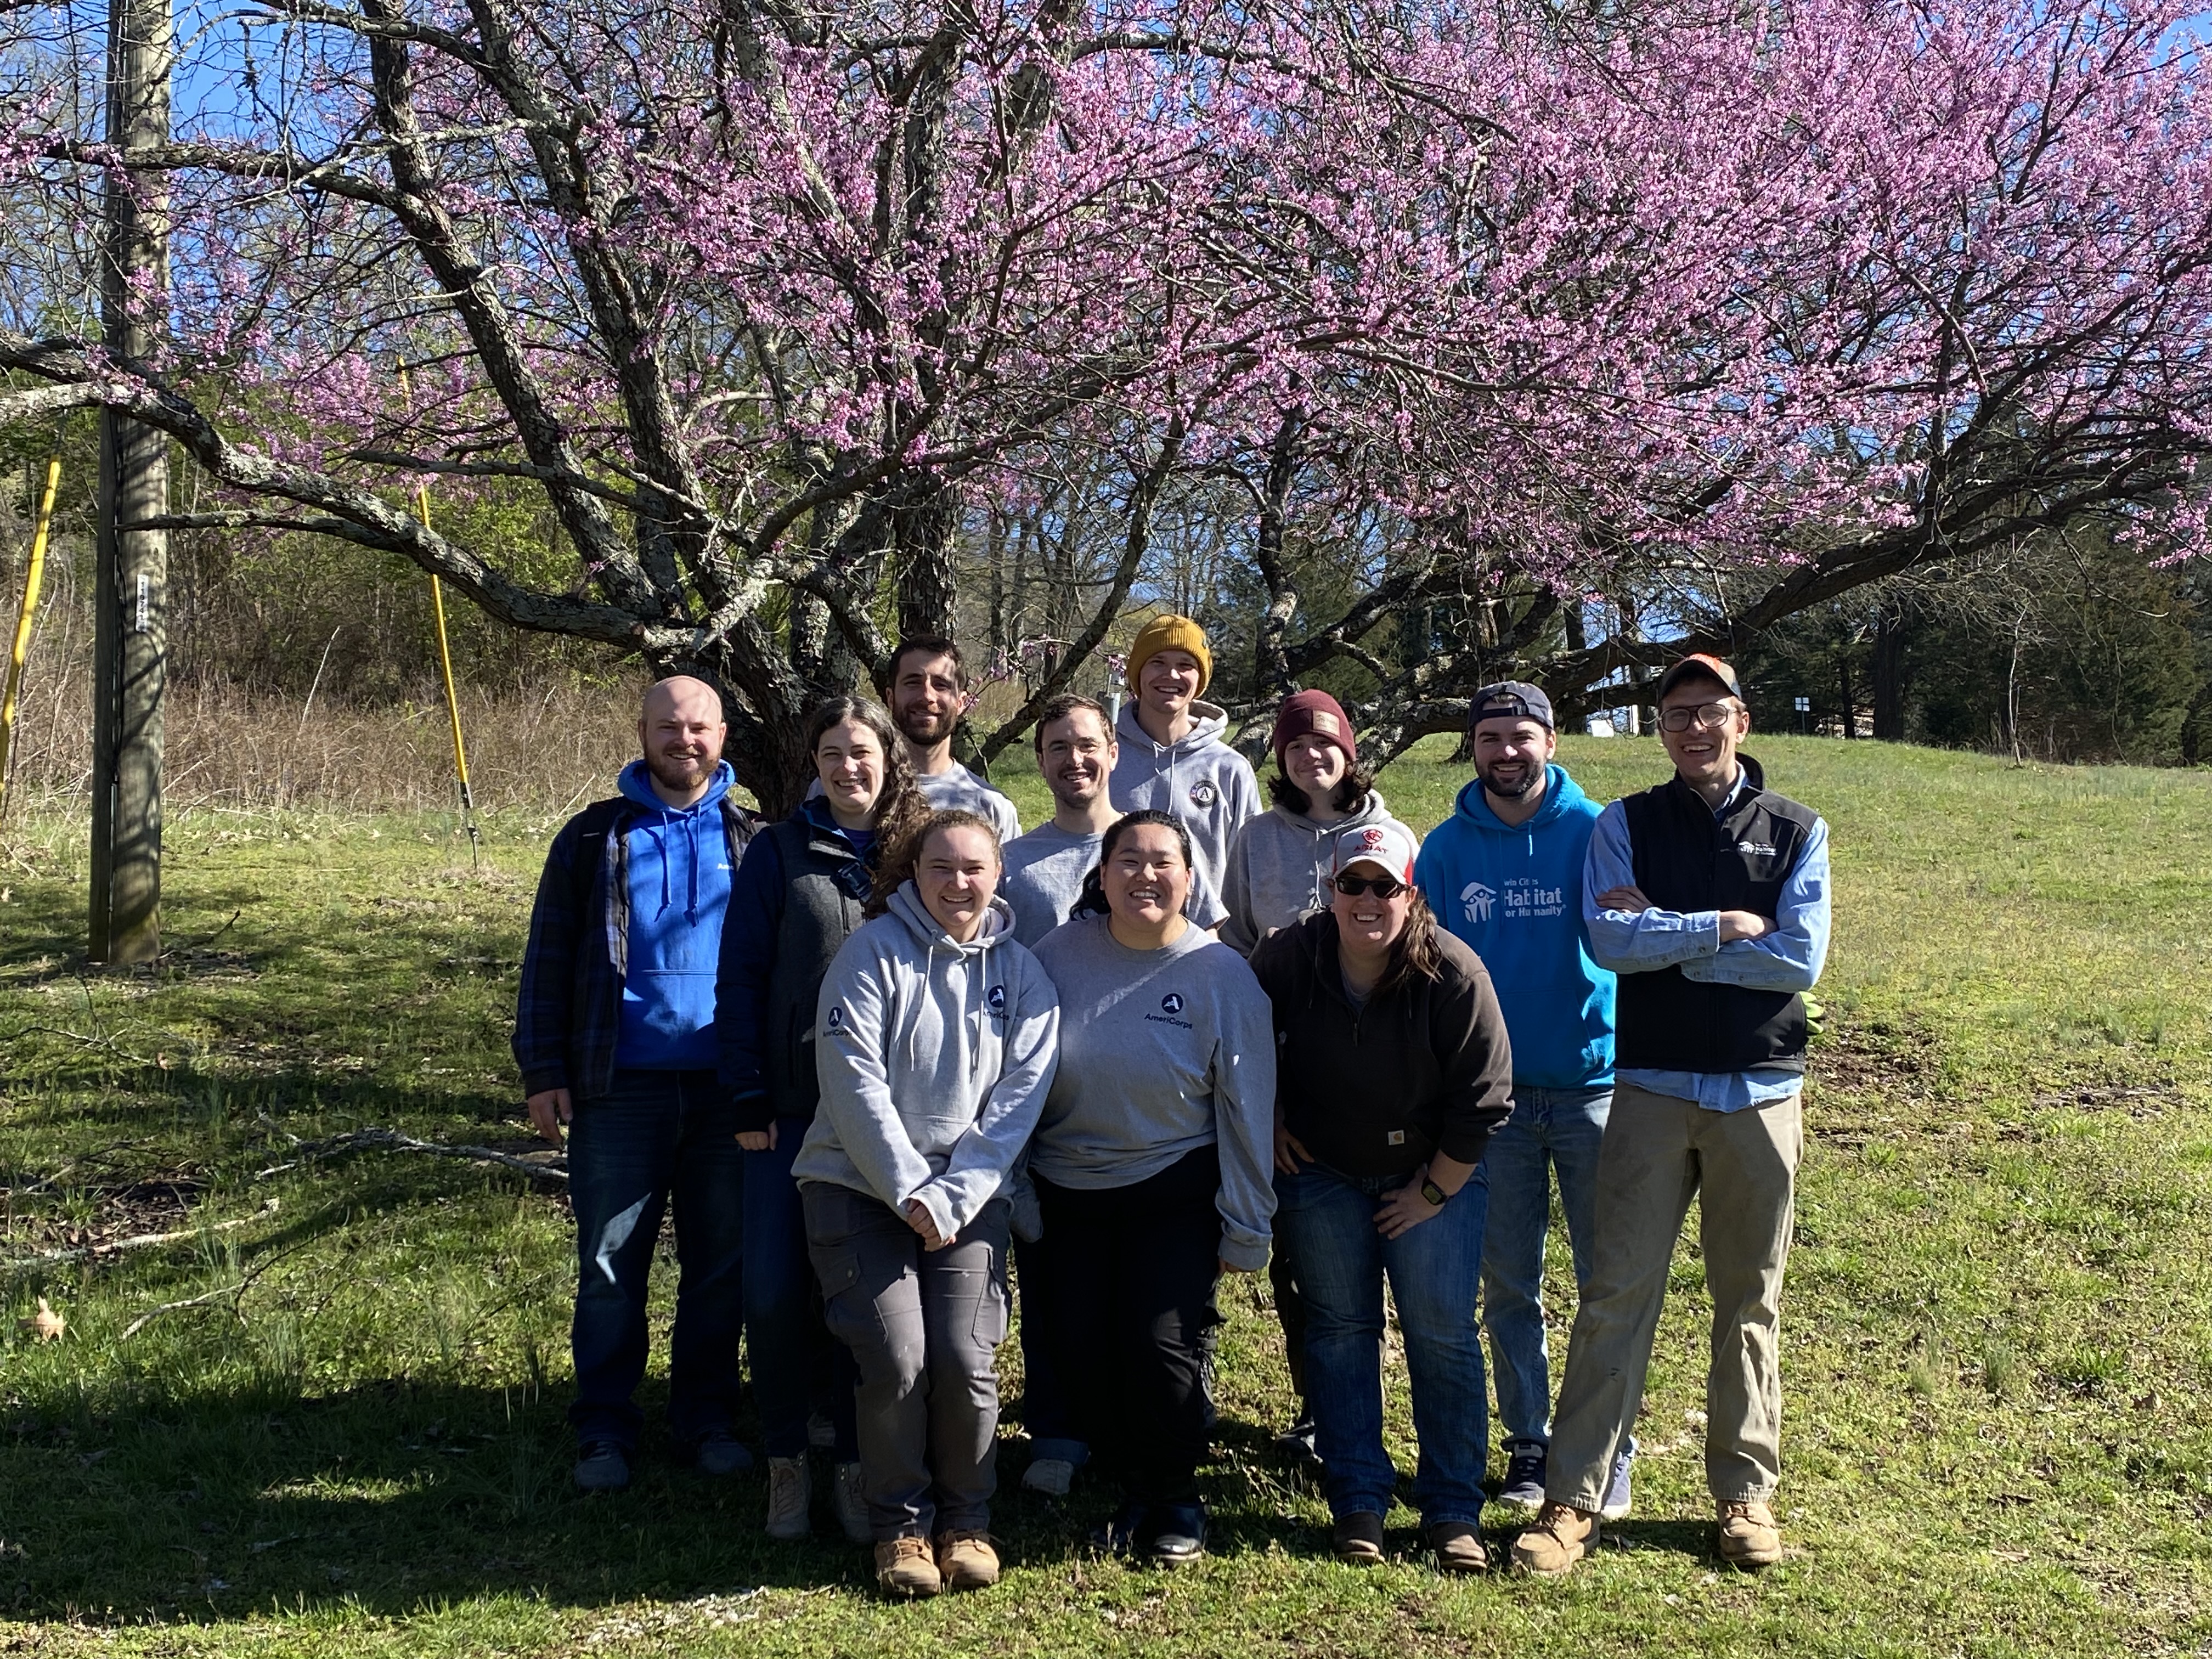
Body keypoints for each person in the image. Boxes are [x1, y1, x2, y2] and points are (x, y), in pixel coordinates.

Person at [1511, 654, 1831, 1576]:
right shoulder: (1623, 823)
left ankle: (1744, 1493)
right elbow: (1609, 940)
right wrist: (1726, 924)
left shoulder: (1798, 829)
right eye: (1677, 714)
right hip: (1650, 1088)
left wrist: (1670, 931)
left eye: (1710, 712)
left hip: (1760, 1092)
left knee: (1748, 1298)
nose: (1694, 728)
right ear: (1660, 729)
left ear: (1742, 719)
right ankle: (1573, 1498)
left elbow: (1799, 959)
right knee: (1616, 1294)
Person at [799, 810, 1061, 1597]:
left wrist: (955, 1192)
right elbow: (852, 1085)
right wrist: (912, 1189)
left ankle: (968, 1521)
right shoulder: (869, 954)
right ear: (914, 874)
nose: (958, 883)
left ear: (998, 876)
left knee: (964, 1357)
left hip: (969, 1194)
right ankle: (902, 1527)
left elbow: (1020, 1099)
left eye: (974, 869)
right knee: (899, 1356)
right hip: (858, 1185)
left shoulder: (1022, 974)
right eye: (940, 868)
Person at [514, 676, 765, 1493]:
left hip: (729, 1092)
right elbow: (549, 955)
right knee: (610, 1265)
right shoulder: (595, 837)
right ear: (643, 733)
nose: (683, 741)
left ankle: (705, 1417)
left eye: (698, 728)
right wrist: (543, 1070)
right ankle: (605, 1427)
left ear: (722, 735)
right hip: (618, 1090)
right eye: (668, 728)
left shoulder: (758, 840)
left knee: (718, 1266)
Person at [1254, 822, 1515, 1571]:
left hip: (1434, 1173)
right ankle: (1359, 1500)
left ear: (1413, 896)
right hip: (1323, 1171)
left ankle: (1451, 1508)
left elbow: (1486, 1100)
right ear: (1330, 892)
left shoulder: (1455, 975)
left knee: (1441, 1333)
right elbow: (1233, 1036)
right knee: (1339, 1329)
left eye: (1385, 886)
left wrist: (1433, 1191)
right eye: (1352, 885)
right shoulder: (1287, 957)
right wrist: (1267, 1113)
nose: (1368, 901)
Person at [1028, 810, 1277, 1567]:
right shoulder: (1052, 957)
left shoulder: (1219, 973)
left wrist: (1248, 1222)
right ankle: (1129, 1479)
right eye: (1127, 860)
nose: (1145, 874)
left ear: (1190, 879)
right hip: (1066, 1188)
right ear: (1098, 878)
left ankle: (1174, 1497)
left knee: (1160, 1345)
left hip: (1172, 1184)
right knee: (1083, 1344)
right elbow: (1011, 1081)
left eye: (1163, 861)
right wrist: (1015, 1189)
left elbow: (1248, 1107)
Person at [716, 695, 933, 1542]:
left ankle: (852, 1461)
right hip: (791, 1118)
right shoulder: (778, 852)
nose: (849, 768)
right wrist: (747, 1094)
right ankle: (784, 1461)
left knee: (859, 1300)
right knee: (771, 1295)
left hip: (884, 1123)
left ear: (889, 758)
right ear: (815, 762)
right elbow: (739, 979)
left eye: (863, 752)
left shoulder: (915, 856)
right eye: (833, 753)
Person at [1412, 681, 1628, 1518]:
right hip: (1491, 1106)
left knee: (1609, 1283)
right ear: (1473, 747)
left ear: (1554, 738)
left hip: (1593, 1092)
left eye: (1523, 735)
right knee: (1509, 1285)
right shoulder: (1444, 849)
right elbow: (1425, 973)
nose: (1507, 751)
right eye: (1491, 736)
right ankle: (1531, 1445)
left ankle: (1608, 1448)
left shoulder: (1599, 829)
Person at [1219, 687, 1413, 1460]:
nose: (1313, 756)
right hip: (1284, 1059)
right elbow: (1232, 939)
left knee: (1382, 1249)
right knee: (1302, 1251)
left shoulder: (1392, 835)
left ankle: (1374, 1402)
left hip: (1378, 1069)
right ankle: (1317, 1406)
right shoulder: (1255, 839)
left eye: (1326, 743)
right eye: (1297, 745)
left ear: (1351, 750)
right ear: (1281, 758)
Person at [1109, 614, 1262, 923]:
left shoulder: (1230, 769)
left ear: (1201, 679)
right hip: (1113, 939)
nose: (1172, 675)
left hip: (1205, 945)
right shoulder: (1106, 756)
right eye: (1158, 663)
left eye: (1186, 665)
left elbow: (1250, 872)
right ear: (1137, 673)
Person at [887, 636, 1022, 843]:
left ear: (961, 703)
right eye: (913, 682)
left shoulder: (992, 807)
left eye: (941, 685)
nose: (927, 696)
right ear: (890, 698)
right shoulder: (849, 786)